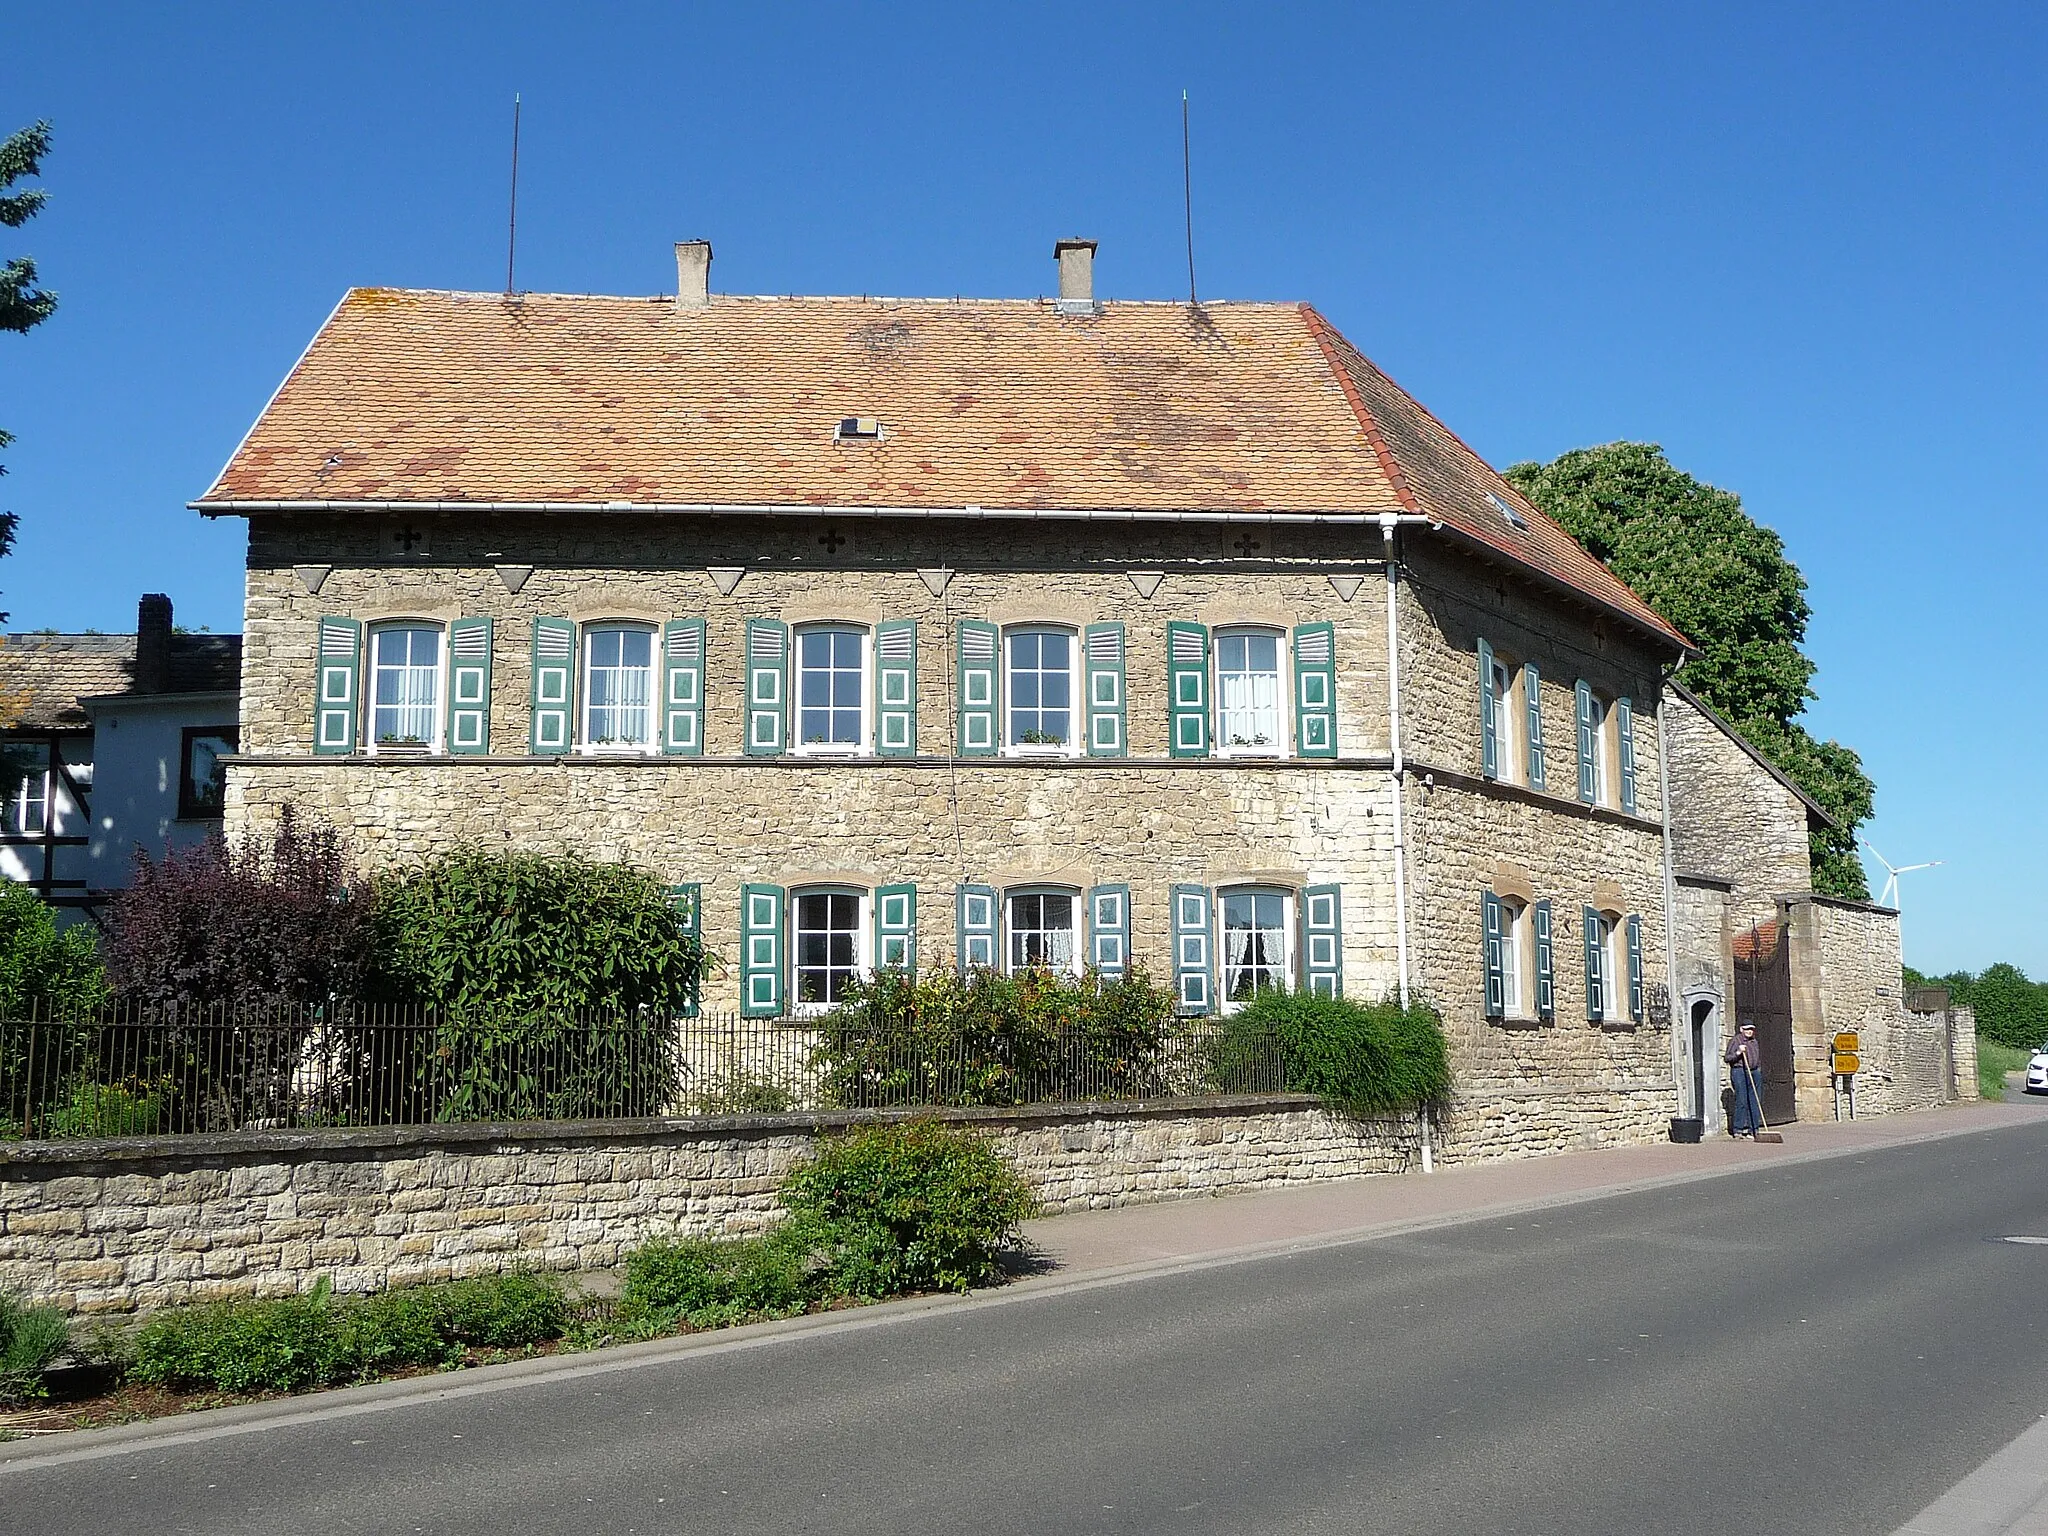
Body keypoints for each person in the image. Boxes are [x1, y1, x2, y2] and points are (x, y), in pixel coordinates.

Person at [1726, 1022, 1764, 1138]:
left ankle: (1754, 1129)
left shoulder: (1754, 1041)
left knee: (1755, 1100)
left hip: (1754, 1071)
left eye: (1751, 1029)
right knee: (1742, 1100)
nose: (1749, 1031)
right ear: (1741, 1029)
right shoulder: (1736, 1041)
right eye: (1747, 1029)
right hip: (1740, 1071)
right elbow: (1727, 1058)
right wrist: (1738, 1052)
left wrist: (1757, 1068)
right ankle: (1738, 1129)